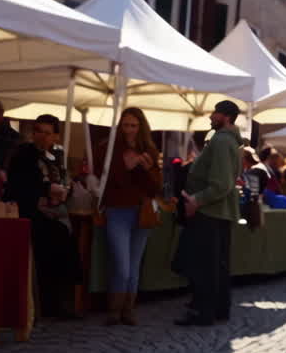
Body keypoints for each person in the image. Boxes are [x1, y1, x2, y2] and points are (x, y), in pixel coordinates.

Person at [6, 114, 81, 319]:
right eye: (38, 131)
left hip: (53, 213)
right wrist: (47, 189)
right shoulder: (24, 154)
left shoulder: (56, 157)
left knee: (67, 239)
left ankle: (62, 301)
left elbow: (64, 181)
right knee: (55, 238)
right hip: (30, 213)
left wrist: (66, 189)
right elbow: (19, 184)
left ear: (55, 136)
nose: (41, 136)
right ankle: (51, 304)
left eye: (47, 133)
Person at [176, 101, 243, 326]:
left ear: (226, 117)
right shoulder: (226, 140)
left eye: (215, 113)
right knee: (216, 264)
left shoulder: (222, 140)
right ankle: (217, 309)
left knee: (204, 265)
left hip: (211, 212)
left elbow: (221, 183)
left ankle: (203, 311)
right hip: (216, 211)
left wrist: (197, 200)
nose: (211, 116)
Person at [98, 107, 161, 326]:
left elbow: (155, 188)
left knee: (133, 265)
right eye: (126, 125)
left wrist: (148, 168)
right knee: (122, 264)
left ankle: (128, 309)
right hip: (118, 210)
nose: (129, 130)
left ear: (141, 127)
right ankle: (115, 309)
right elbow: (106, 181)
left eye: (133, 125)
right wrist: (126, 167)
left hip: (141, 211)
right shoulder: (110, 149)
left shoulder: (150, 150)